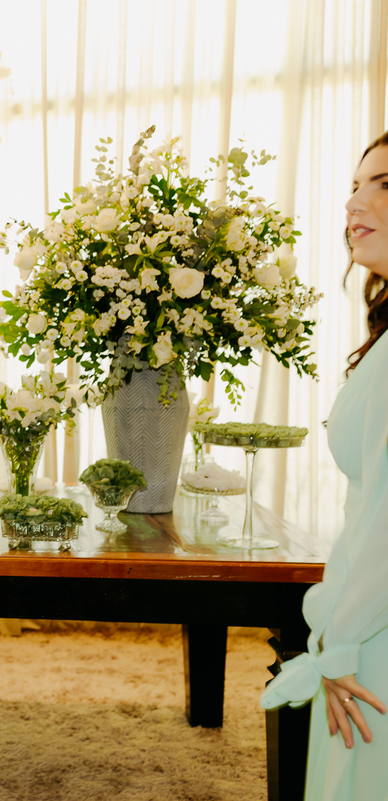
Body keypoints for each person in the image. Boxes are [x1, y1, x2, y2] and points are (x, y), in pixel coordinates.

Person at [260, 132, 388, 798]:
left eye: (384, 185)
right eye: (355, 185)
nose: (354, 202)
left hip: (373, 637)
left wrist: (339, 643)